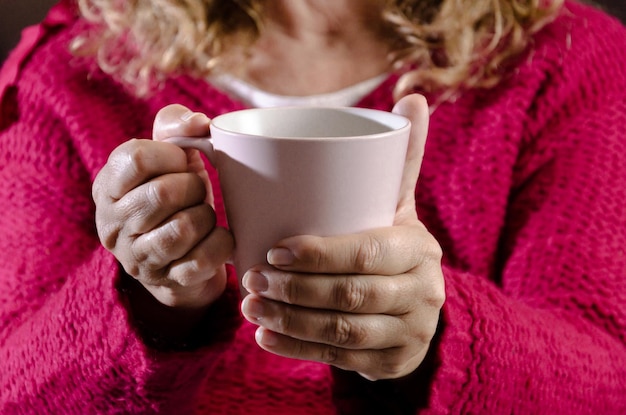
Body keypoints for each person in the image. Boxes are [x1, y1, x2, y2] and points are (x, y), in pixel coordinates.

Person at [0, 0, 625, 413]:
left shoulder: (570, 58)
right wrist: (152, 300)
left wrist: (428, 342)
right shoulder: (72, 70)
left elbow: (608, 380)